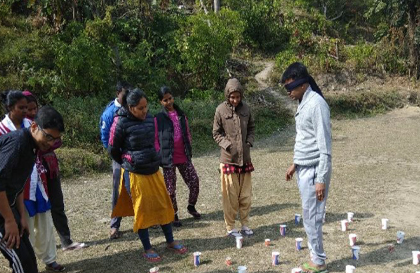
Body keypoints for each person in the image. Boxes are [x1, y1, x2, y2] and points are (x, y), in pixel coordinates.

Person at [108, 88, 187, 262]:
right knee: (142, 210)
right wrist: (127, 162)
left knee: (164, 204)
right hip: (135, 172)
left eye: (146, 107)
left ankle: (170, 241)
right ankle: (147, 247)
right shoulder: (120, 123)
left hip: (153, 168)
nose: (145, 111)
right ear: (130, 107)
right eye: (141, 108)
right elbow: (113, 149)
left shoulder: (151, 119)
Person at [0, 103, 64, 273]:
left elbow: (18, 183)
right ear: (34, 127)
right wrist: (8, 220)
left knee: (28, 261)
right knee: (22, 263)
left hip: (9, 206)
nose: (51, 143)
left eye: (55, 139)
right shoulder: (18, 143)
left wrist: (21, 216)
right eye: (49, 137)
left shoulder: (32, 146)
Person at [282, 62, 332, 273]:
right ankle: (315, 255)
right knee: (309, 215)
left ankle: (318, 261)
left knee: (312, 217)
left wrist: (321, 178)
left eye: (290, 88)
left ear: (303, 84)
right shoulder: (303, 102)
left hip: (314, 171)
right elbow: (305, 138)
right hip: (304, 168)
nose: (289, 92)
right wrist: (295, 163)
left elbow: (324, 147)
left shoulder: (316, 104)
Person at [22, 91, 85, 253]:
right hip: (30, 175)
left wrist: (48, 142)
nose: (31, 112)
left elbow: (57, 142)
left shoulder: (46, 122)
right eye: (27, 109)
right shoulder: (22, 129)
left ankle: (65, 240)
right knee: (34, 212)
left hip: (50, 168)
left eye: (34, 108)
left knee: (57, 204)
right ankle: (35, 248)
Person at [212, 78, 255, 237]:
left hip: (245, 159)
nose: (235, 100)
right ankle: (230, 227)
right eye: (232, 97)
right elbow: (216, 133)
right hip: (228, 160)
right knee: (230, 197)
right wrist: (227, 145)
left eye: (238, 97)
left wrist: (249, 142)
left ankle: (245, 224)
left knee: (245, 196)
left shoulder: (246, 109)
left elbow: (251, 128)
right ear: (227, 95)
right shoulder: (220, 110)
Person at [155, 86, 201, 227]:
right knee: (170, 189)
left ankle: (191, 206)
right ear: (160, 102)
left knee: (194, 182)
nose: (168, 102)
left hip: (183, 155)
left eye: (170, 99)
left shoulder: (181, 115)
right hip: (168, 159)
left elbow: (187, 133)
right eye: (165, 100)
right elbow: (155, 138)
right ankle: (173, 214)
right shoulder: (158, 118)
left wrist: (189, 147)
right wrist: (159, 153)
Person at [99, 82, 129, 239]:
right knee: (118, 189)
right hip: (119, 158)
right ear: (118, 93)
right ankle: (114, 225)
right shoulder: (109, 113)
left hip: (133, 156)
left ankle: (147, 219)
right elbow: (105, 138)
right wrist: (115, 155)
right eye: (125, 93)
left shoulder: (132, 107)